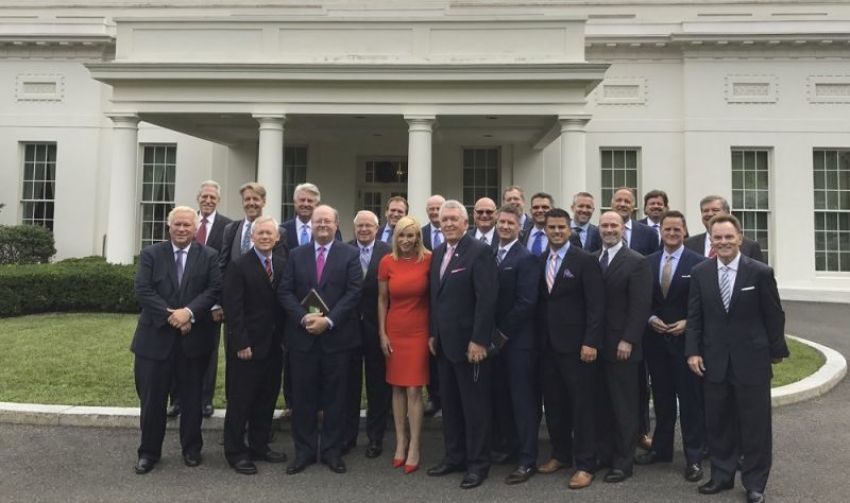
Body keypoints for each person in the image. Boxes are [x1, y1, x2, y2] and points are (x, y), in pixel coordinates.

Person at [686, 214, 788, 503]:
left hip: (752, 361)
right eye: (717, 237)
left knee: (755, 426)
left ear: (739, 238)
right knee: (718, 422)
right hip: (714, 360)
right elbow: (694, 317)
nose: (723, 242)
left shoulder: (759, 272)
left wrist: (776, 350)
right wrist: (692, 351)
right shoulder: (700, 272)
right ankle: (721, 475)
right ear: (711, 239)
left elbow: (774, 314)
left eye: (729, 237)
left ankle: (755, 483)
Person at [131, 206, 222, 475]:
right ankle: (148, 452)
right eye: (177, 225)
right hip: (155, 340)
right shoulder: (151, 254)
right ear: (168, 227)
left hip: (193, 341)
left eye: (187, 225)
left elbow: (214, 289)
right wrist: (172, 316)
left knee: (193, 400)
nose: (182, 229)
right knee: (152, 401)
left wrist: (189, 314)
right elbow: (143, 289)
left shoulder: (209, 256)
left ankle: (192, 449)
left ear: (195, 229)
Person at [277, 205, 363, 475]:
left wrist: (328, 320)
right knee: (303, 399)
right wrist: (304, 318)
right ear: (310, 225)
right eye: (318, 221)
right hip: (303, 339)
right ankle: (303, 451)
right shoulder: (295, 254)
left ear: (337, 225)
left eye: (327, 220)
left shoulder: (350, 254)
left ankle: (331, 451)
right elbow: (285, 291)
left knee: (336, 399)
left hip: (337, 340)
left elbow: (354, 292)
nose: (322, 224)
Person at [426, 200, 498, 489]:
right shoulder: (439, 252)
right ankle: (454, 457)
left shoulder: (479, 252)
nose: (449, 224)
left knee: (474, 408)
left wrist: (479, 339)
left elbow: (487, 299)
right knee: (451, 406)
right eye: (445, 220)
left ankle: (478, 464)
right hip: (444, 345)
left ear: (466, 223)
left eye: (454, 219)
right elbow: (436, 299)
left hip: (471, 347)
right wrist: (433, 333)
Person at [535, 208, 605, 490]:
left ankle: (586, 463)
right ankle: (560, 454)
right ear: (545, 230)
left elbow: (596, 306)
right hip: (547, 346)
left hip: (578, 347)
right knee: (554, 404)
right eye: (551, 227)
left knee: (582, 406)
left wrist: (591, 341)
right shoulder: (539, 261)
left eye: (561, 227)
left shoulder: (585, 261)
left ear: (570, 230)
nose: (556, 231)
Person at [636, 210, 706, 483]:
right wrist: (650, 318)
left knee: (690, 403)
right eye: (667, 229)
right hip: (655, 343)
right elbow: (641, 300)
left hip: (685, 344)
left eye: (677, 229)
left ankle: (694, 458)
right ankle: (661, 449)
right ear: (660, 232)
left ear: (684, 231)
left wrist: (687, 323)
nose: (672, 233)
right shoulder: (647, 262)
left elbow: (702, 305)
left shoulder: (698, 264)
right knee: (663, 401)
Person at [221, 216, 287, 475]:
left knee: (266, 398)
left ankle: (259, 445)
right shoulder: (238, 266)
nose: (265, 237)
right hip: (247, 347)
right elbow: (233, 308)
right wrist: (241, 342)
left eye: (270, 233)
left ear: (277, 238)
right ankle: (236, 452)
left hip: (274, 346)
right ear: (252, 237)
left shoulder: (282, 264)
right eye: (260, 233)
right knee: (241, 401)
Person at [594, 210, 653, 483]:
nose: (609, 229)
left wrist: (628, 339)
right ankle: (604, 454)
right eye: (604, 225)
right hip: (596, 347)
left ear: (623, 229)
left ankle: (623, 461)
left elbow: (640, 307)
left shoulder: (637, 262)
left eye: (614, 225)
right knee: (602, 404)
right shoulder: (593, 259)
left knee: (624, 407)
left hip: (623, 347)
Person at [167, 180, 231, 419]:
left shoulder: (227, 227)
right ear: (198, 198)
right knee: (176, 351)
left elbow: (224, 268)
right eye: (204, 196)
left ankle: (205, 399)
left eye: (212, 197)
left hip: (209, 303)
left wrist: (217, 303)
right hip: (180, 301)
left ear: (218, 200)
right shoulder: (185, 222)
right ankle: (177, 400)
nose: (208, 201)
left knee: (208, 351)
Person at [377, 216, 432, 474]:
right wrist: (382, 333)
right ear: (395, 237)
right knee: (397, 387)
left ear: (418, 237)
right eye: (402, 235)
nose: (407, 240)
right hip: (395, 329)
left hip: (420, 330)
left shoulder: (429, 260)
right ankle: (401, 441)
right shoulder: (387, 262)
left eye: (411, 235)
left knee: (413, 389)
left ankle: (415, 446)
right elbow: (382, 299)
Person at [490, 205, 541, 485]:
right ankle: (508, 447)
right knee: (501, 398)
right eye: (502, 222)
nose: (506, 226)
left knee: (522, 401)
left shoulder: (526, 258)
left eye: (511, 222)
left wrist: (501, 334)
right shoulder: (489, 254)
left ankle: (526, 459)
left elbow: (526, 303)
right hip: (494, 342)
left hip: (517, 342)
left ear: (520, 227)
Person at [609, 187, 658, 451]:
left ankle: (641, 431)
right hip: (611, 327)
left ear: (634, 205)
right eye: (619, 200)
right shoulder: (601, 232)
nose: (623, 204)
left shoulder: (647, 233)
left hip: (637, 323)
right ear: (612, 203)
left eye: (628, 201)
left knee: (639, 383)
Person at [343, 211, 392, 458]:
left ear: (377, 227)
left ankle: (375, 437)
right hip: (348, 329)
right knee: (349, 385)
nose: (364, 230)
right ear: (354, 228)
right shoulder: (344, 250)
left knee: (377, 386)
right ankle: (348, 436)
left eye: (368, 226)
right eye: (360, 226)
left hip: (377, 328)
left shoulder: (387, 251)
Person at [420, 194, 445, 418]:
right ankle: (434, 396)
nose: (435, 211)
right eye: (431, 208)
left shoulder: (454, 232)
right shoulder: (420, 234)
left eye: (438, 208)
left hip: (448, 302)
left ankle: (445, 397)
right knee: (430, 353)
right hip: (425, 301)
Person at [684, 195, 765, 263]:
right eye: (705, 211)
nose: (710, 213)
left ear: (727, 213)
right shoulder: (688, 244)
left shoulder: (750, 246)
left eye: (715, 210)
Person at [281, 182, 342, 250]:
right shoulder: (282, 230)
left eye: (310, 201)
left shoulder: (330, 229)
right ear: (295, 202)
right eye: (302, 200)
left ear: (317, 204)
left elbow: (337, 252)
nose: (306, 204)